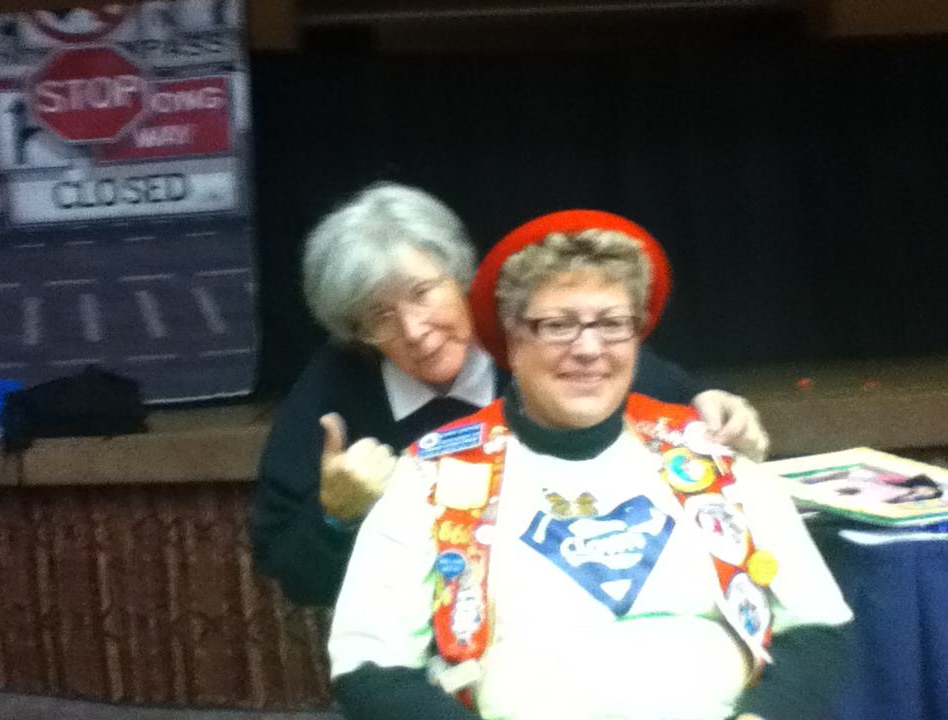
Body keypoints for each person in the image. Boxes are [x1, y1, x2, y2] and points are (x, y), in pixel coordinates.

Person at [328, 210, 853, 720]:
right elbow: (370, 669)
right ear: (512, 341)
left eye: (612, 323)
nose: (588, 348)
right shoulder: (433, 476)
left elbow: (817, 627)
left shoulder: (711, 456)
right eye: (557, 325)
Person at [250, 183, 769, 607]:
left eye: (422, 293)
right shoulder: (336, 386)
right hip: (427, 638)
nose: (414, 330)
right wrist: (337, 517)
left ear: (461, 276)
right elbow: (298, 581)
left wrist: (713, 405)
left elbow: (658, 388)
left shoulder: (531, 331)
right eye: (378, 316)